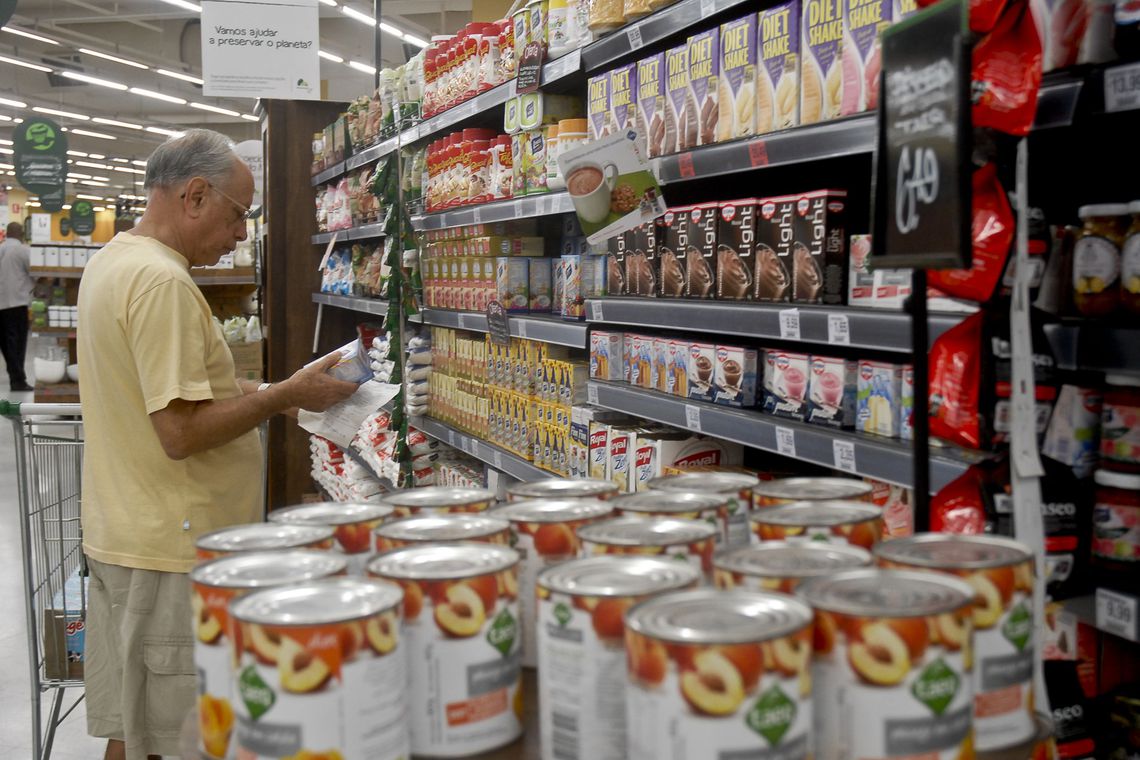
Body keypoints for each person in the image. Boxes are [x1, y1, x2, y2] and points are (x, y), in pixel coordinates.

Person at [76, 129, 359, 760]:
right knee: (181, 737)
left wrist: (281, 389)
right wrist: (280, 399)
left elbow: (179, 393)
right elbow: (180, 432)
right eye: (237, 216)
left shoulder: (114, 262)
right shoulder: (162, 284)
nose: (238, 234)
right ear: (195, 195)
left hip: (128, 534)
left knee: (136, 726)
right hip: (171, 547)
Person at [0, 221, 34, 391]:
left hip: (1, 304)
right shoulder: (22, 250)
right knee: (17, 344)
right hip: (17, 303)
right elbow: (34, 271)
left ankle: (14, 375)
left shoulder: (1, 248)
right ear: (21, 233)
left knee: (6, 344)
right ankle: (18, 380)